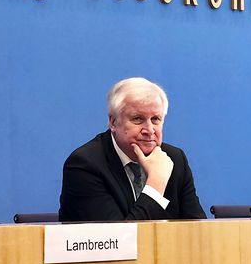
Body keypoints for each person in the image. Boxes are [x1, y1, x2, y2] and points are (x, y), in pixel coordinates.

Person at [59, 77, 206, 222]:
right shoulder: (85, 165)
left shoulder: (174, 159)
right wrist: (156, 183)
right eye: (137, 119)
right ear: (113, 122)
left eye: (155, 119)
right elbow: (116, 241)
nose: (149, 130)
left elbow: (199, 232)